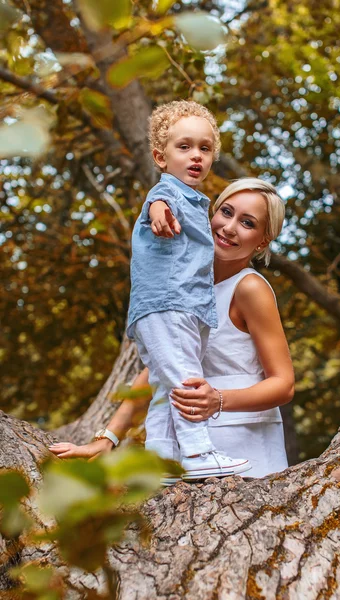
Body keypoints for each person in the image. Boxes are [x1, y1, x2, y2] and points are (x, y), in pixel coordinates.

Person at [49, 178, 295, 479]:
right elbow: (158, 371)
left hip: (246, 449)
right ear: (212, 213)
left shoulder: (250, 288)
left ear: (262, 240)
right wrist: (108, 439)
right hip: (186, 452)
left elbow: (284, 384)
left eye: (247, 222)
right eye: (226, 212)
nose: (229, 228)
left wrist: (217, 400)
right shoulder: (185, 284)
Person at [121, 99, 249, 479]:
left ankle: (161, 462)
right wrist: (158, 211)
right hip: (169, 305)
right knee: (187, 381)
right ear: (161, 158)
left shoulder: (196, 200)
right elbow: (157, 202)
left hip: (180, 309)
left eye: (205, 148)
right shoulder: (169, 193)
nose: (196, 155)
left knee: (165, 386)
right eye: (184, 147)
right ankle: (197, 451)